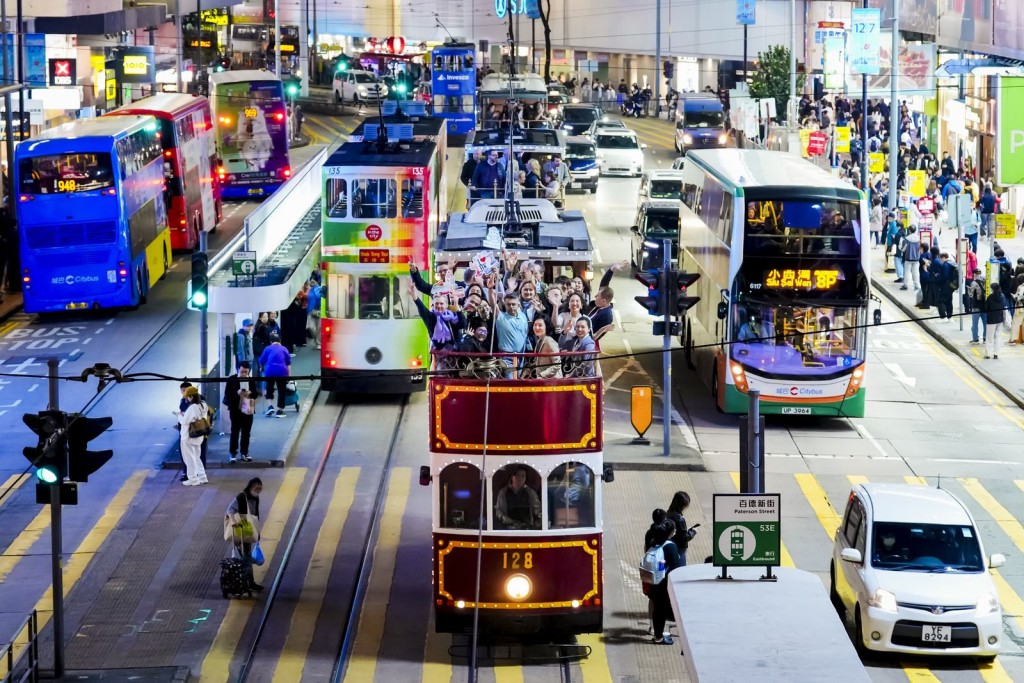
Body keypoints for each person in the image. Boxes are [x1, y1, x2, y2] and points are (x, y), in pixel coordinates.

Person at [224, 477, 264, 591]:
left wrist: (257, 531)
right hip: (240, 530)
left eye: (260, 488)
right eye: (257, 487)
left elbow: (255, 515)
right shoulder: (242, 496)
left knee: (246, 555)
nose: (259, 489)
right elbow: (230, 510)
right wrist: (233, 521)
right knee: (243, 556)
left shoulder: (256, 498)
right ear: (251, 486)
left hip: (248, 530)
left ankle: (247, 581)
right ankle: (245, 581)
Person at [649, 519, 682, 645]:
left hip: (655, 581)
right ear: (671, 532)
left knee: (658, 609)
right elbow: (676, 567)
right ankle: (661, 636)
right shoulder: (671, 546)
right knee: (665, 610)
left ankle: (658, 636)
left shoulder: (655, 542)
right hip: (665, 584)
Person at [224, 361, 257, 463]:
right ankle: (233, 453)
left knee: (246, 432)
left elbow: (255, 394)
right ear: (238, 369)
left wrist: (250, 393)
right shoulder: (232, 379)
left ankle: (244, 452)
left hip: (248, 406)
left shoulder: (251, 380)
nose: (244, 374)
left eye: (246, 372)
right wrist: (237, 393)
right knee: (235, 431)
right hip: (235, 408)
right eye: (242, 371)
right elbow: (227, 394)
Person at [178, 386, 209, 486]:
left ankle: (193, 479)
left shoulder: (193, 407)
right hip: (198, 435)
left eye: (187, 397)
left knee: (189, 458)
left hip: (188, 436)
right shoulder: (203, 405)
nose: (186, 398)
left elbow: (185, 421)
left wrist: (179, 416)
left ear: (191, 396)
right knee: (196, 457)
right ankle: (202, 477)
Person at [259, 331, 291, 417]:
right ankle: (280, 410)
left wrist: (261, 367)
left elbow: (261, 360)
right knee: (281, 391)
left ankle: (270, 407)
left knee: (269, 389)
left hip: (270, 371)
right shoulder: (284, 349)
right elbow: (288, 364)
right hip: (282, 371)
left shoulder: (267, 348)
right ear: (280, 341)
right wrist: (289, 376)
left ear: (271, 341)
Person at [984, 282, 1007, 360]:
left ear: (992, 289)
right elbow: (1004, 306)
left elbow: (986, 308)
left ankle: (987, 354)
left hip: (991, 319)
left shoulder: (990, 297)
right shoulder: (1003, 296)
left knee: (989, 337)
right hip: (1000, 319)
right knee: (998, 337)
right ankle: (996, 354)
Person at [967, 269, 987, 345]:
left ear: (974, 274)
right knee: (985, 322)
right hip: (984, 306)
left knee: (975, 323)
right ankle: (985, 338)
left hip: (976, 305)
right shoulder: (985, 281)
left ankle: (975, 339)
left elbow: (971, 295)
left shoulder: (973, 283)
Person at [306, 277, 323, 349]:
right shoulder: (309, 289)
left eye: (313, 280)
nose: (312, 281)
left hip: (319, 311)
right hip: (310, 311)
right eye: (311, 280)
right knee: (311, 327)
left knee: (319, 327)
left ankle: (318, 343)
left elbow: (318, 296)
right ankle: (317, 340)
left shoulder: (320, 289)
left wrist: (316, 286)